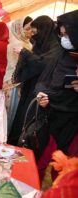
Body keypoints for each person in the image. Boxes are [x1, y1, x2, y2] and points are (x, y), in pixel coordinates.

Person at [8, 16, 63, 149]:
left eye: (34, 32)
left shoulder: (55, 47)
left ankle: (23, 147)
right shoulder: (41, 43)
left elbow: (42, 63)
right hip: (30, 86)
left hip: (39, 91)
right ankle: (14, 145)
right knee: (21, 116)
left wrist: (25, 53)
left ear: (43, 30)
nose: (33, 35)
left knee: (28, 119)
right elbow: (36, 61)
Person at [36, 10, 78, 153]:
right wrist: (41, 94)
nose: (63, 39)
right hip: (50, 115)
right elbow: (45, 79)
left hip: (71, 123)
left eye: (67, 35)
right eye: (61, 34)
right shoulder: (61, 53)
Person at [3, 16, 33, 132]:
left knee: (10, 110)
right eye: (28, 28)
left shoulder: (26, 43)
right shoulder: (19, 45)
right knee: (11, 110)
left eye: (32, 28)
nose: (30, 31)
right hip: (15, 83)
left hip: (12, 80)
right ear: (19, 28)